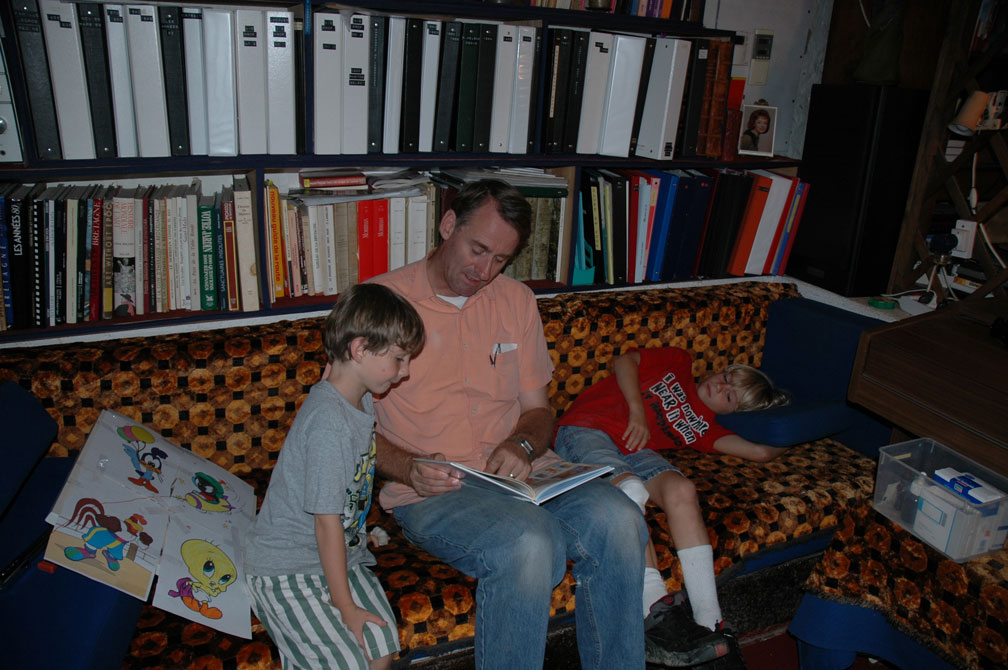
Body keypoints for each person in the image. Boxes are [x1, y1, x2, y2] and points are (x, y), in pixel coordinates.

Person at [369, 179, 654, 670]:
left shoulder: (516, 300)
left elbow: (539, 411)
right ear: (448, 225)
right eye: (478, 250)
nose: (484, 272)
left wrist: (522, 443)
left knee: (621, 520)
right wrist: (408, 466)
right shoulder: (380, 303)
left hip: (525, 476)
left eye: (500, 259)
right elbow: (343, 428)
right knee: (529, 543)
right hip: (434, 491)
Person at [554, 346, 791, 668]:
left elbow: (761, 453)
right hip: (587, 428)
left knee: (682, 489)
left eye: (730, 396)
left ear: (735, 413)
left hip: (636, 451)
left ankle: (710, 624)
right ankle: (655, 612)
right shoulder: (679, 363)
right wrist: (637, 411)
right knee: (629, 490)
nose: (720, 386)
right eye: (725, 377)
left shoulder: (705, 427)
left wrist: (799, 427)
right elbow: (624, 361)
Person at [244, 283, 425, 670]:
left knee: (380, 646)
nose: (405, 371)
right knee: (346, 662)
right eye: (399, 358)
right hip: (289, 567)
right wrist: (345, 606)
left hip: (338, 553)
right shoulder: (329, 425)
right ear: (359, 350)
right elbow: (325, 523)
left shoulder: (359, 397)